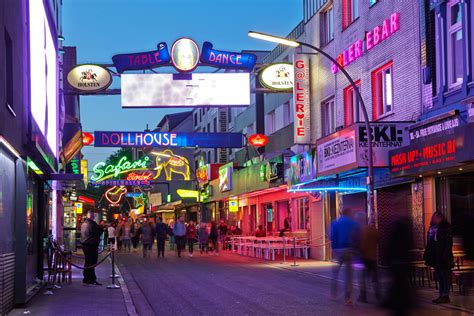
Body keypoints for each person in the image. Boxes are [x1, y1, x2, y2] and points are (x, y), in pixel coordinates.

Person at [330, 208, 360, 305]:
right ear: (349, 213)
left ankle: (333, 293)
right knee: (348, 275)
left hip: (338, 250)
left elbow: (332, 236)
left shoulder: (335, 223)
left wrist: (334, 248)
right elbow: (357, 237)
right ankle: (348, 298)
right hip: (349, 250)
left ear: (341, 213)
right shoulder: (353, 223)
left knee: (335, 273)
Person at [424, 212, 454, 304]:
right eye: (433, 217)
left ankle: (445, 295)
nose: (434, 219)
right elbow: (430, 243)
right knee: (440, 276)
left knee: (445, 276)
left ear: (440, 218)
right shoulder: (432, 228)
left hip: (444, 256)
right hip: (435, 256)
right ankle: (441, 294)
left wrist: (445, 255)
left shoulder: (445, 228)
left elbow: (448, 243)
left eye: (436, 217)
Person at [357, 217, 380, 303]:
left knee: (362, 278)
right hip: (373, 258)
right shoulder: (375, 231)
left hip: (364, 258)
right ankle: (378, 295)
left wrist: (360, 252)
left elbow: (362, 244)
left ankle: (363, 296)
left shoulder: (364, 230)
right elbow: (378, 241)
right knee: (375, 279)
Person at [80, 211, 104, 286]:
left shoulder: (84, 224)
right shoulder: (92, 224)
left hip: (84, 245)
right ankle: (92, 279)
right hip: (91, 245)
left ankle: (86, 278)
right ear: (92, 216)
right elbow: (100, 230)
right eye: (93, 216)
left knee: (87, 262)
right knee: (92, 263)